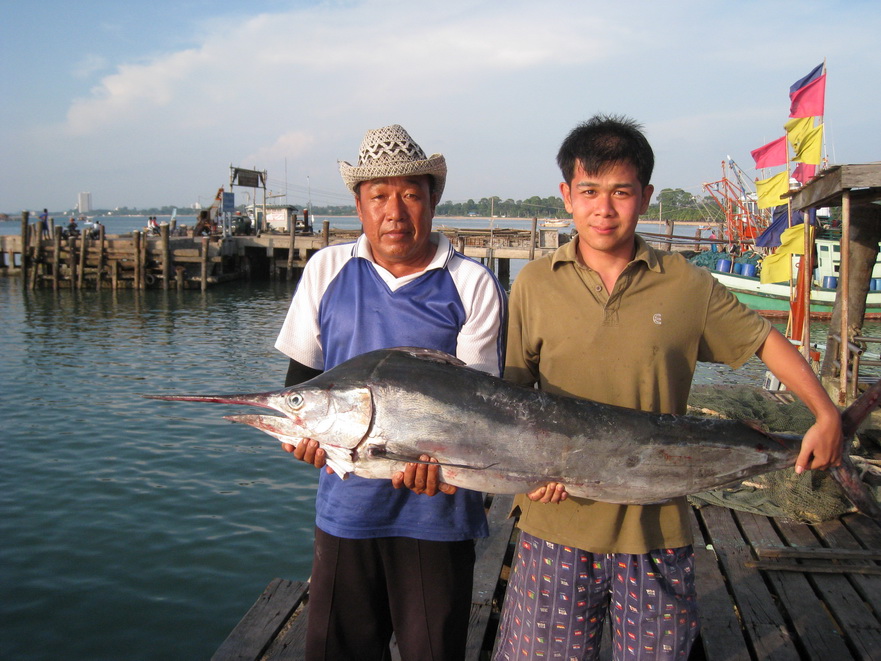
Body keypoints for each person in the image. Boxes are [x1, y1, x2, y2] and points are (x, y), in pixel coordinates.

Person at [493, 114, 842, 660]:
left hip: (657, 531)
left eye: (620, 192)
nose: (603, 208)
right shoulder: (535, 285)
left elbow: (764, 341)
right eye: (589, 191)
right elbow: (510, 402)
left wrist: (826, 415)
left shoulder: (686, 284)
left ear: (646, 196)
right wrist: (526, 472)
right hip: (554, 525)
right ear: (566, 195)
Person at [274, 124, 507, 660]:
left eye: (409, 194)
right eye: (379, 195)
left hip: (439, 517)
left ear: (432, 200)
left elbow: (481, 413)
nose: (394, 212)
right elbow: (298, 391)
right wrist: (302, 441)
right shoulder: (326, 269)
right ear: (358, 204)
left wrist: (443, 463)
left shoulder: (471, 283)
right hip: (346, 514)